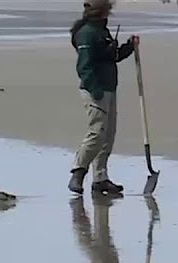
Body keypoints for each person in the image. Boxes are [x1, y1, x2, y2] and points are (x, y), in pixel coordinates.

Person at [68, 0, 139, 196]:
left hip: (109, 87)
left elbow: (112, 56)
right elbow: (84, 67)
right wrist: (96, 90)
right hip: (95, 90)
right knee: (97, 132)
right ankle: (78, 171)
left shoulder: (102, 31)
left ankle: (100, 179)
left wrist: (128, 47)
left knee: (107, 136)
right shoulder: (86, 33)